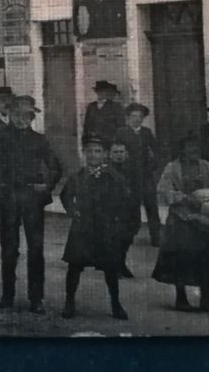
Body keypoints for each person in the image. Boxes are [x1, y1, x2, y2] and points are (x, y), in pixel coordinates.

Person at [0, 94, 64, 313]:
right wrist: (3, 192)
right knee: (9, 249)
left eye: (26, 116)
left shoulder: (39, 140)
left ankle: (36, 298)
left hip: (32, 200)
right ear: (9, 115)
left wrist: (46, 186)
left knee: (36, 249)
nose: (21, 120)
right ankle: (7, 295)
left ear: (31, 118)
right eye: (17, 115)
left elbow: (56, 168)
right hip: (9, 198)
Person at [152, 135, 209, 313]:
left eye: (196, 146)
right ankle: (181, 298)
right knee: (181, 257)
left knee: (207, 256)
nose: (194, 150)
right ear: (181, 150)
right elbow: (163, 190)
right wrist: (184, 199)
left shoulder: (206, 166)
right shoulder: (172, 168)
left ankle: (206, 298)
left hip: (203, 219)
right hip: (181, 218)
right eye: (190, 147)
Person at [58, 139, 135, 320]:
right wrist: (72, 210)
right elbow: (65, 195)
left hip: (106, 228)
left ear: (105, 154)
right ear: (84, 154)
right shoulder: (78, 176)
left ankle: (116, 304)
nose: (93, 155)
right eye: (90, 151)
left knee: (111, 268)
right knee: (75, 265)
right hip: (83, 227)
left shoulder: (114, 177)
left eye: (98, 151)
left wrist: (117, 219)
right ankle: (69, 302)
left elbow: (126, 198)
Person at [112, 102, 163, 246]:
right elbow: (115, 152)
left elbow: (156, 150)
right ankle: (129, 234)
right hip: (128, 175)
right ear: (128, 118)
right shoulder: (121, 132)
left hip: (145, 175)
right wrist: (120, 169)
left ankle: (156, 237)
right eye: (134, 116)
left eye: (140, 116)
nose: (137, 119)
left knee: (151, 205)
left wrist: (152, 165)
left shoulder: (146, 133)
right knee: (131, 206)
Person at [105, 140, 142, 277]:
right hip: (113, 211)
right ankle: (115, 266)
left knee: (127, 238)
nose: (119, 155)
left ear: (126, 154)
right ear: (109, 154)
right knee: (116, 239)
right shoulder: (106, 171)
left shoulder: (132, 170)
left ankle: (121, 262)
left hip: (130, 209)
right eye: (115, 152)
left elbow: (137, 190)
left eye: (121, 152)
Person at [80, 80, 125, 148]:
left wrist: (116, 141)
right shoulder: (91, 106)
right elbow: (86, 125)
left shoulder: (115, 106)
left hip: (109, 141)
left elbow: (121, 126)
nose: (101, 93)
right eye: (99, 91)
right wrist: (85, 141)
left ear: (107, 92)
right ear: (96, 92)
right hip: (93, 141)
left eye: (103, 91)